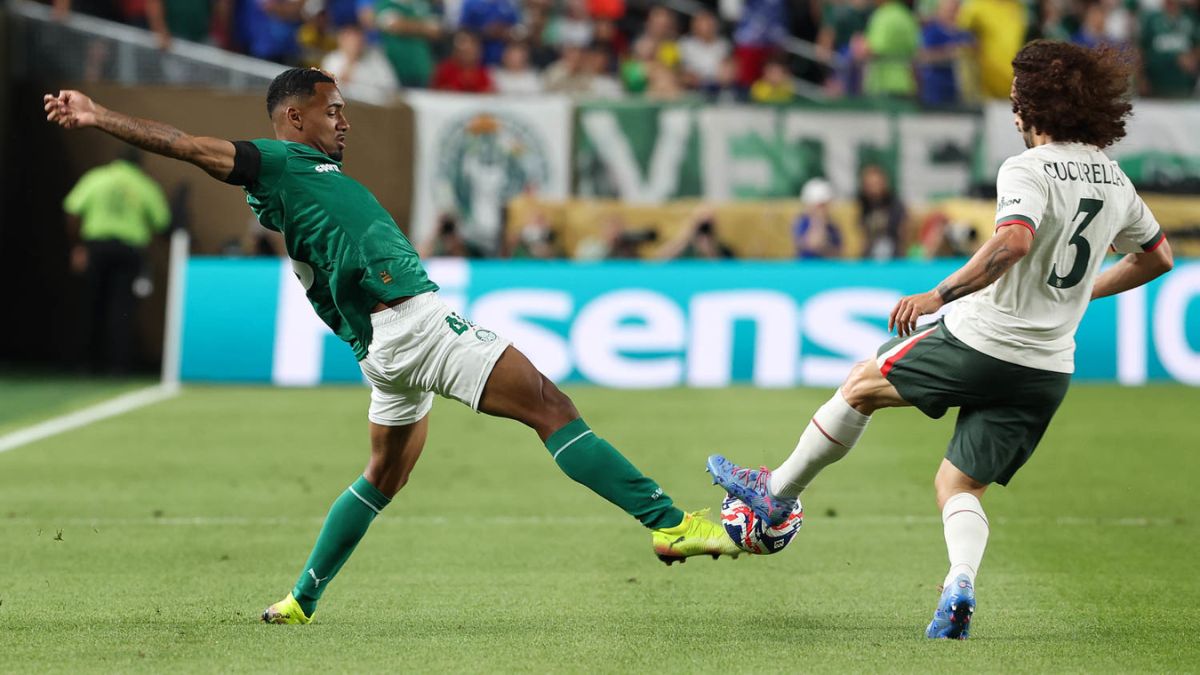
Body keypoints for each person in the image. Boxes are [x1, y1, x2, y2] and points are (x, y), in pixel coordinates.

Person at [44, 68, 737, 625]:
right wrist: (100, 115)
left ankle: (300, 599)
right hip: (412, 323)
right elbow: (189, 144)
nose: (343, 119)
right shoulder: (279, 164)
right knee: (551, 408)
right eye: (333, 109)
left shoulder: (308, 178)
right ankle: (669, 521)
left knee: (384, 475)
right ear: (294, 118)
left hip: (382, 347)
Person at [707, 41, 1173, 640]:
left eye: (1015, 102)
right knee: (959, 485)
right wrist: (1079, 294)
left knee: (859, 385)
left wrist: (938, 295)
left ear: (1035, 107)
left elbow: (1012, 243)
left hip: (984, 339)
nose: (1011, 114)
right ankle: (959, 583)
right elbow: (1158, 258)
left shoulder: (1027, 169)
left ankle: (772, 496)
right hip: (1049, 366)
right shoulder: (1114, 180)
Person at [62, 147, 171, 374]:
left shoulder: (97, 177)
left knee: (90, 305)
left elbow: (72, 210)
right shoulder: (145, 185)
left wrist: (77, 246)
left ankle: (84, 363)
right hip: (129, 251)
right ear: (140, 164)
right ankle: (118, 365)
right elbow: (162, 223)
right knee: (122, 308)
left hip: (96, 247)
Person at [858, 163, 907, 259]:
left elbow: (902, 233)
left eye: (876, 184)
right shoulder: (860, 206)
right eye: (869, 185)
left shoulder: (895, 205)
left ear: (883, 184)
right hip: (867, 255)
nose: (873, 189)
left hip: (891, 252)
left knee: (884, 245)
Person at [793, 178, 843, 259]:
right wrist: (818, 222)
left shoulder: (832, 226)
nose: (823, 209)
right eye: (820, 206)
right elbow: (813, 244)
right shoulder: (802, 223)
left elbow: (837, 252)